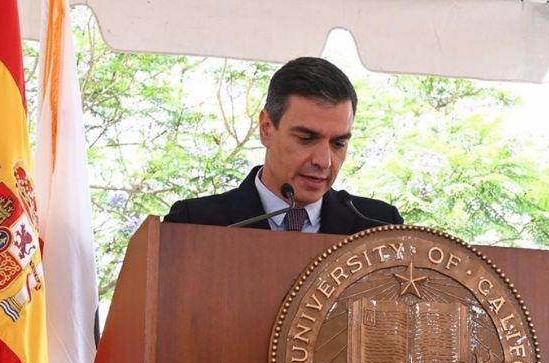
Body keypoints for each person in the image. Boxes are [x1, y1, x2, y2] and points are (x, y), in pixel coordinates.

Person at [164, 57, 403, 234]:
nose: (324, 161)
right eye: (306, 138)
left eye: (338, 143)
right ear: (266, 128)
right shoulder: (194, 224)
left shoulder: (379, 226)